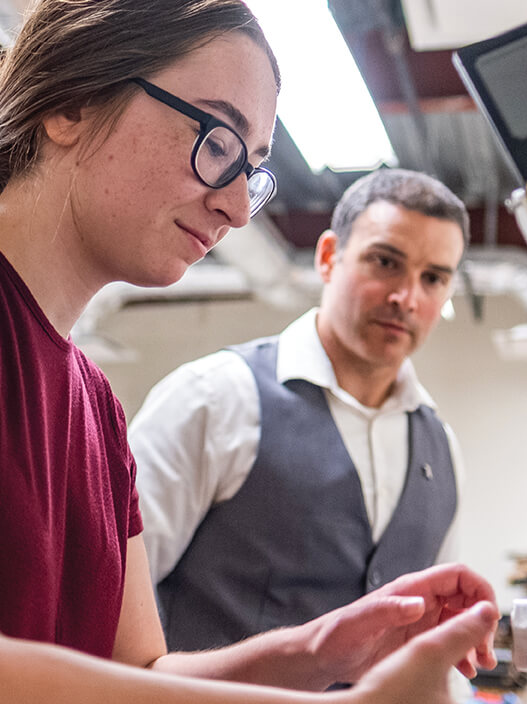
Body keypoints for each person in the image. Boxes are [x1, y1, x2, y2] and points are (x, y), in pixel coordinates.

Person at [0, 2, 496, 703]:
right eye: (217, 139)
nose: (241, 204)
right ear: (70, 101)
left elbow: (138, 671)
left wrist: (318, 653)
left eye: (254, 169)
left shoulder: (93, 404)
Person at [131, 169, 471, 653]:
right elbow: (106, 600)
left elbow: (430, 642)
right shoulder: (215, 398)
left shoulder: (443, 451)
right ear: (329, 257)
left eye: (433, 278)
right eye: (385, 262)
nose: (407, 298)